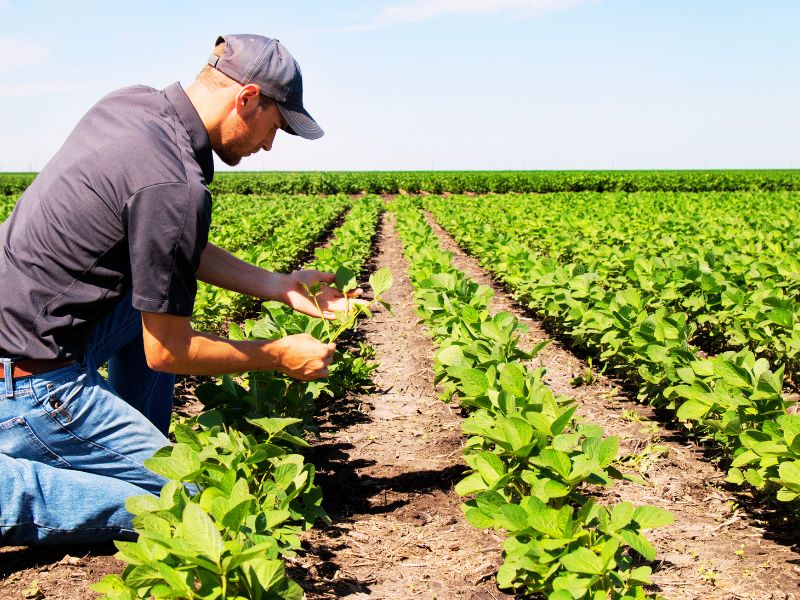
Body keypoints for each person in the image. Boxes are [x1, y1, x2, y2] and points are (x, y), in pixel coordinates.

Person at [0, 34, 354, 545]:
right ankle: (19, 484)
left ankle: (124, 449)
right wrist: (278, 355)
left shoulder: (134, 105)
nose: (269, 145)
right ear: (247, 98)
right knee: (195, 508)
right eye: (275, 127)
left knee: (146, 297)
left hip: (26, 336)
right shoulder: (176, 184)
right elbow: (168, 351)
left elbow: (165, 245)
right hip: (32, 385)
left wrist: (279, 286)